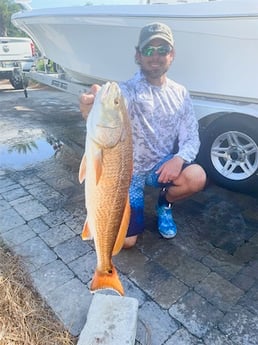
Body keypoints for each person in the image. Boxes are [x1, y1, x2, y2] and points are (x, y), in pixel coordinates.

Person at [80, 22, 207, 248]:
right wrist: (92, 109)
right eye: (148, 50)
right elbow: (109, 114)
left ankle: (164, 205)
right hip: (128, 174)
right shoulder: (126, 91)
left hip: (161, 167)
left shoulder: (180, 93)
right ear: (138, 55)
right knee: (126, 242)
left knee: (196, 176)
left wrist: (178, 159)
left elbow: (191, 137)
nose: (155, 56)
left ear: (172, 54)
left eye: (162, 50)